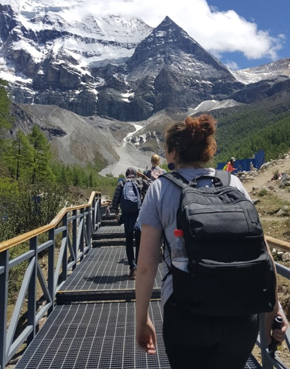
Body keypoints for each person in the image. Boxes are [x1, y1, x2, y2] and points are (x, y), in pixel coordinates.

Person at [135, 114, 288, 368]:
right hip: (242, 313)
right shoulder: (234, 183)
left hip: (186, 314)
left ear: (173, 152)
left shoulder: (160, 188)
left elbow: (146, 266)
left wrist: (142, 320)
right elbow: (263, 252)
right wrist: (275, 311)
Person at [111, 167, 149, 280]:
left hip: (127, 215)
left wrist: (116, 213)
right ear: (134, 174)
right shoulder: (140, 181)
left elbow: (115, 200)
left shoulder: (122, 183)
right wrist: (143, 176)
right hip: (139, 214)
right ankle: (139, 267)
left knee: (128, 241)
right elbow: (153, 184)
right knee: (139, 241)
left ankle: (133, 269)